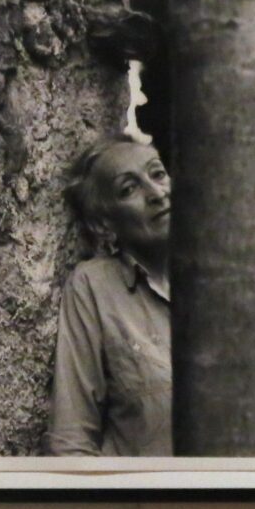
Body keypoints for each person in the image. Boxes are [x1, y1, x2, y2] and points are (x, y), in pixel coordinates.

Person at [47, 135, 176, 458]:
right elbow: (71, 442)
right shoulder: (95, 288)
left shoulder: (227, 273)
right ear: (104, 223)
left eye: (158, 174)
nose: (157, 194)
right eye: (128, 189)